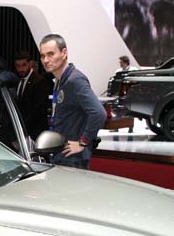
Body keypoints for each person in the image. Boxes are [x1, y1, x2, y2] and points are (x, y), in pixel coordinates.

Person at [38, 33, 106, 169]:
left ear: (64, 53)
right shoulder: (60, 80)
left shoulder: (75, 80)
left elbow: (99, 113)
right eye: (42, 56)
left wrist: (83, 142)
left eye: (51, 54)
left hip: (72, 158)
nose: (46, 60)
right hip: (61, 153)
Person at [13, 50, 53, 139]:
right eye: (18, 66)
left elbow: (37, 110)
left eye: (24, 65)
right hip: (21, 132)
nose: (20, 69)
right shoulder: (17, 80)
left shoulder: (40, 82)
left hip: (35, 133)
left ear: (30, 63)